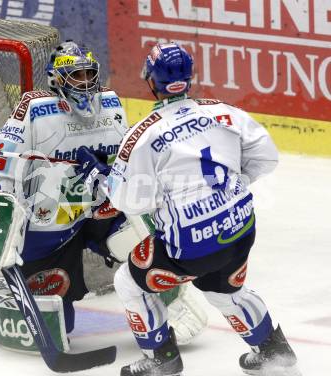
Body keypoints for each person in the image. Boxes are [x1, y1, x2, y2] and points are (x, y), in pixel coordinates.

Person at [0, 41, 207, 350]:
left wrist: (113, 173)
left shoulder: (111, 104)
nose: (85, 83)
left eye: (89, 74)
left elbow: (128, 162)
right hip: (51, 220)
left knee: (144, 239)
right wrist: (1, 207)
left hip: (102, 209)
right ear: (57, 79)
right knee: (57, 322)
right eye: (76, 76)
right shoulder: (35, 109)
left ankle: (171, 297)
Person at [75, 42, 300, 376]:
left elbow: (128, 201)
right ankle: (273, 350)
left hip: (191, 245)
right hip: (239, 229)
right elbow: (266, 157)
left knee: (128, 280)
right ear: (189, 77)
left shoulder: (144, 134)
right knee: (224, 288)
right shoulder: (224, 112)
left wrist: (100, 175)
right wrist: (226, 192)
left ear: (151, 81)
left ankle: (161, 359)